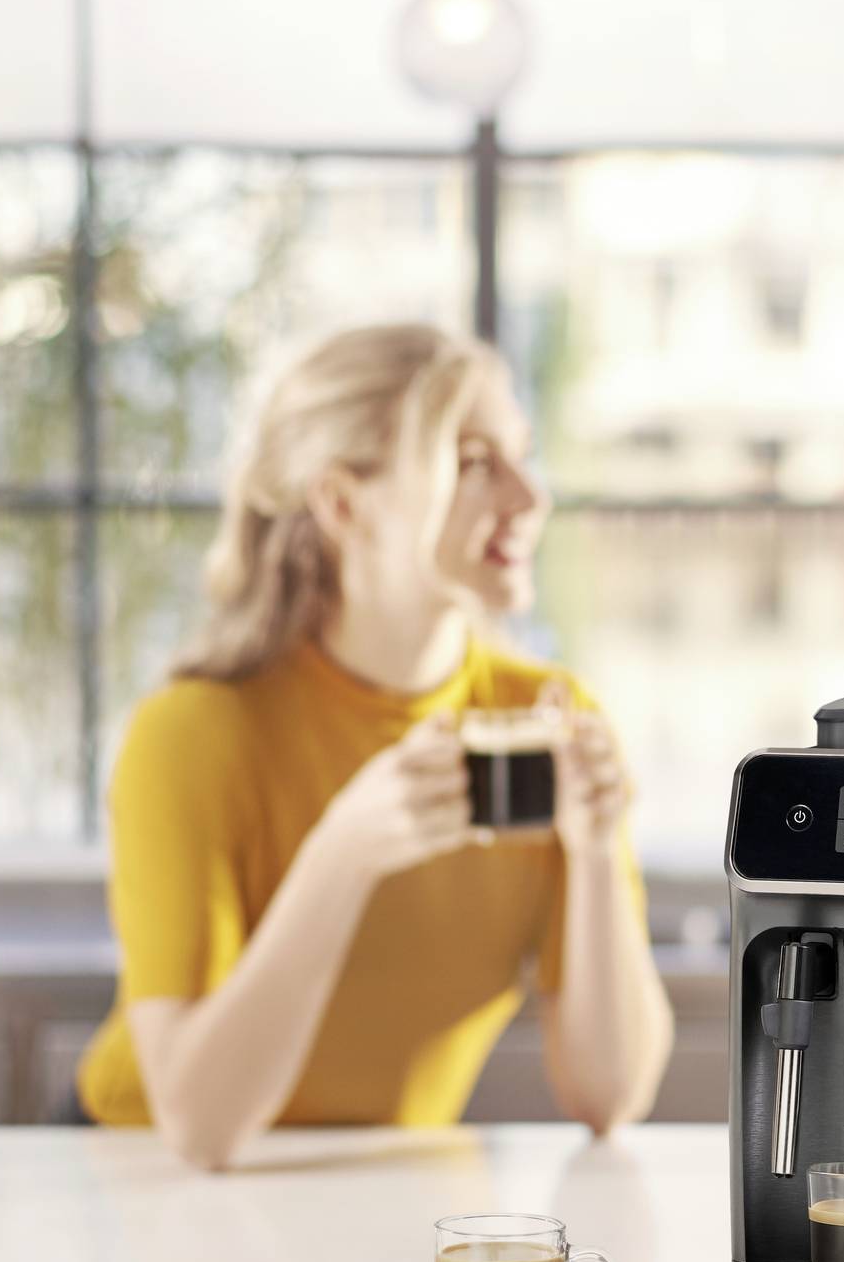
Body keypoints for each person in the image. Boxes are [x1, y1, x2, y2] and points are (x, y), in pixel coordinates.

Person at [71, 323, 672, 1166]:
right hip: (142, 1177)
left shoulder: (542, 717)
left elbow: (609, 1096)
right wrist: (343, 856)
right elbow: (199, 1128)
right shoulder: (192, 735)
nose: (529, 498)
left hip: (384, 1182)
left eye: (521, 456)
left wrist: (598, 850)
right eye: (472, 462)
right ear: (345, 505)